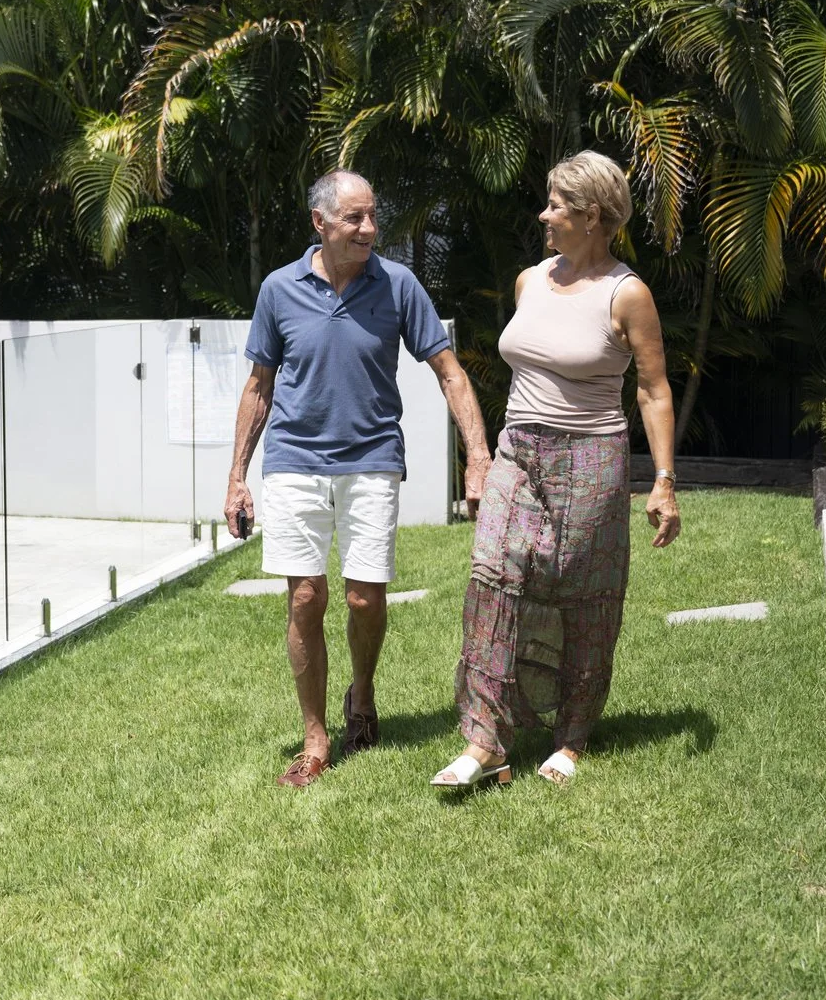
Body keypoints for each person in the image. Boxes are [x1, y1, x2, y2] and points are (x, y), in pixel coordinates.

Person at [227, 170, 491, 789]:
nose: (370, 229)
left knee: (364, 598)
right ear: (319, 223)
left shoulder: (397, 285)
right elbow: (260, 385)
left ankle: (363, 694)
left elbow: (450, 373)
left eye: (372, 216)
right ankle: (316, 737)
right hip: (294, 460)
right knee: (305, 597)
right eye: (355, 219)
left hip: (373, 457)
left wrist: (478, 458)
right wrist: (237, 476)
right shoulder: (278, 289)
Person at [431, 151, 682, 792]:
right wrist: (485, 458)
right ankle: (484, 741)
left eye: (556, 206)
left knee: (583, 597)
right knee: (492, 578)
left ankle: (571, 737)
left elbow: (653, 390)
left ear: (592, 216)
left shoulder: (628, 294)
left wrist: (662, 480)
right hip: (519, 449)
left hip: (591, 456)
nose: (544, 216)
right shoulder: (530, 280)